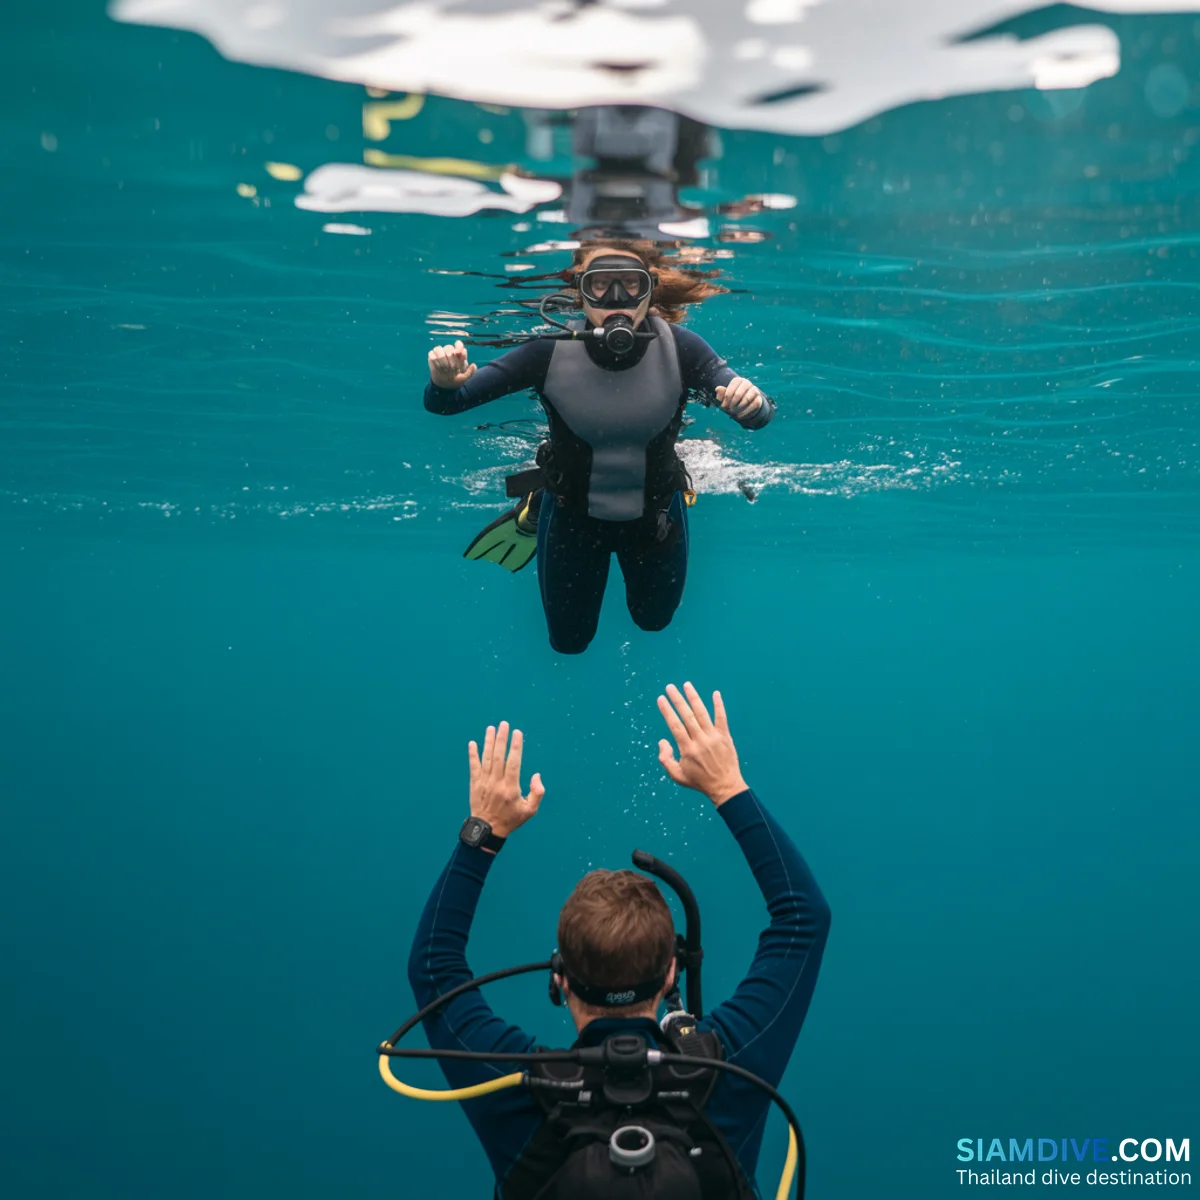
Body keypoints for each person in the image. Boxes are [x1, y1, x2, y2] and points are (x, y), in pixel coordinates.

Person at [407, 682, 831, 1198]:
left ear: (559, 978)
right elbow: (804, 917)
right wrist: (727, 785)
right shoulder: (726, 1069)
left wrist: (484, 831)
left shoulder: (514, 1089)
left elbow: (433, 965)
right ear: (673, 971)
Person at [425, 241, 776, 654]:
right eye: (600, 286)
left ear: (650, 291)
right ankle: (535, 506)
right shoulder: (546, 353)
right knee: (568, 642)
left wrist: (749, 405)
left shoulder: (683, 348)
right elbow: (449, 404)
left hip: (656, 517)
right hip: (572, 518)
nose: (616, 301)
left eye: (631, 286)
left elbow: (760, 413)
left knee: (654, 621)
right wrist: (444, 383)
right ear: (580, 293)